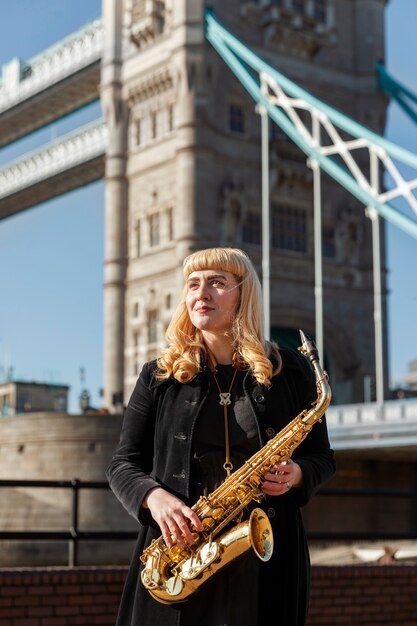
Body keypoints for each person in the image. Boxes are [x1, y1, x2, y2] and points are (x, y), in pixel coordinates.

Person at [107, 247, 336, 626]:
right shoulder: (158, 375)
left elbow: (323, 458)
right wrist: (154, 497)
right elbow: (122, 464)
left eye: (217, 282)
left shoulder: (290, 370)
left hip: (267, 553)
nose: (201, 293)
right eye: (193, 284)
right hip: (179, 551)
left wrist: (296, 474)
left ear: (243, 294)